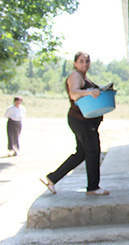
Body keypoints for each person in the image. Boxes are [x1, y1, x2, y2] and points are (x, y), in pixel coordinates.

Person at [40, 52, 109, 196]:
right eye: (81, 61)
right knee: (93, 151)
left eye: (87, 61)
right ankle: (93, 188)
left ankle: (52, 178)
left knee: (82, 153)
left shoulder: (84, 77)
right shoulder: (75, 76)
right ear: (75, 63)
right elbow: (73, 93)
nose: (85, 64)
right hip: (81, 120)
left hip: (85, 120)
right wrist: (90, 92)